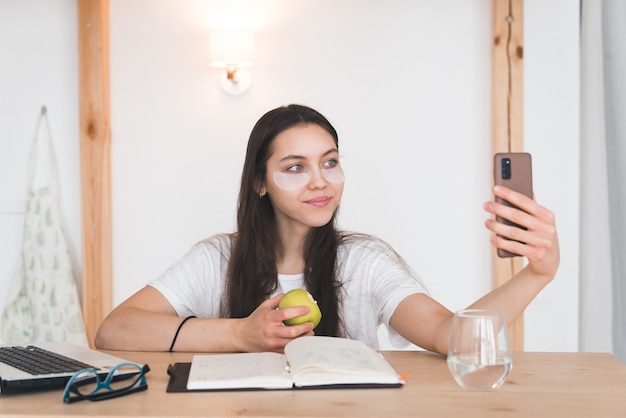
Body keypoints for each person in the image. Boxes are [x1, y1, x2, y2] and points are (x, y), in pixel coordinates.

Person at [95, 104, 559, 355]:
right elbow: (115, 330)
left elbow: (449, 336)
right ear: (260, 182)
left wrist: (536, 275)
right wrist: (240, 335)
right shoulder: (217, 258)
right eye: (296, 166)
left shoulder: (365, 262)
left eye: (330, 162)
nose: (320, 180)